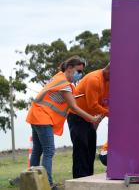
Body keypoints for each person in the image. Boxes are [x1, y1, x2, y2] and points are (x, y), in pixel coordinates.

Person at [26, 56, 101, 188]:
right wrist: (92, 118)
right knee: (49, 150)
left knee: (38, 150)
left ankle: (31, 180)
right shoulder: (64, 85)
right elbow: (74, 107)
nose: (80, 74)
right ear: (69, 68)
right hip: (42, 117)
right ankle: (48, 184)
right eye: (78, 71)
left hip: (35, 114)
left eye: (82, 72)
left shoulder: (58, 77)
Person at [67, 63, 110, 178]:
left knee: (90, 151)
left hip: (90, 119)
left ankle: (88, 177)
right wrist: (111, 113)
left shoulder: (109, 82)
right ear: (109, 71)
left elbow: (106, 103)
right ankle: (79, 180)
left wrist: (102, 117)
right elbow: (93, 105)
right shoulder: (94, 80)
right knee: (81, 150)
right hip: (77, 117)